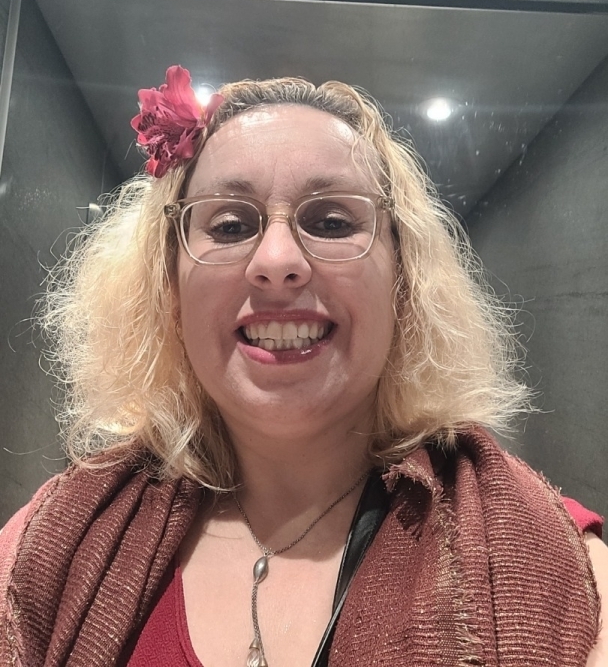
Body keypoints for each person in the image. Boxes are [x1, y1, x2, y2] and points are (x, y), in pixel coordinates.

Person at [0, 66, 606, 667]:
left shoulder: (566, 573)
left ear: (405, 281)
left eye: (332, 222)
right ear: (168, 286)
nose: (277, 260)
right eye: (230, 225)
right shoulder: (47, 545)